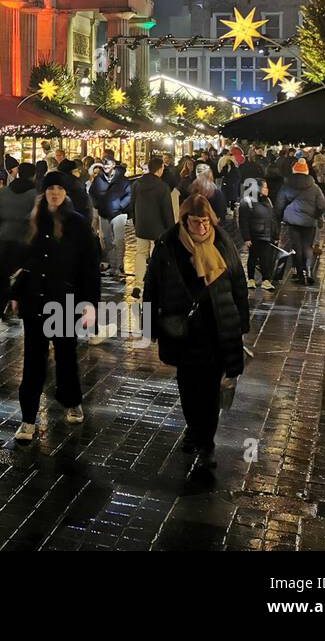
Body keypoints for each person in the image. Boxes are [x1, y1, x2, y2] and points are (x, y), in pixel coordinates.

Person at [142, 194, 249, 473]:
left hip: (217, 326)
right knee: (189, 386)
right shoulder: (168, 245)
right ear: (184, 220)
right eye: (194, 221)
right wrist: (148, 325)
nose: (200, 228)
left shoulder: (222, 241)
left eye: (204, 222)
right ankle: (194, 427)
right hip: (184, 330)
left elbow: (238, 281)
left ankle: (206, 442)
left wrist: (242, 322)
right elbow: (152, 285)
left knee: (211, 388)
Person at [13, 171, 101, 442]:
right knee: (33, 361)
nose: (54, 193)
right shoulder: (32, 221)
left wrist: (89, 303)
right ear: (44, 192)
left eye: (59, 189)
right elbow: (21, 260)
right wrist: (16, 294)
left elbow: (89, 267)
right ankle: (28, 417)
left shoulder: (77, 223)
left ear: (66, 193)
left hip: (64, 300)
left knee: (65, 355)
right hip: (35, 300)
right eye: (50, 188)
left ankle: (72, 401)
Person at [0, 161, 39, 343]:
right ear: (34, 176)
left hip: (5, 244)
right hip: (28, 247)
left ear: (17, 173)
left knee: (0, 285)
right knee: (30, 285)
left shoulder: (2, 193)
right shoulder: (36, 196)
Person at [275, 158, 325, 284]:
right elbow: (321, 205)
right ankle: (308, 271)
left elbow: (280, 204)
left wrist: (279, 217)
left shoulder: (286, 185)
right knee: (307, 247)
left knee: (296, 246)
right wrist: (316, 215)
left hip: (292, 221)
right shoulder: (314, 187)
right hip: (309, 221)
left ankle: (299, 273)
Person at [130, 155, 175, 297]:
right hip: (159, 228)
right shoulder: (162, 186)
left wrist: (136, 222)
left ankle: (138, 284)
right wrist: (171, 230)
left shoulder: (137, 184)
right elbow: (167, 210)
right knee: (157, 256)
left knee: (141, 254)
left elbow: (132, 205)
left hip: (142, 226)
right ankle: (156, 283)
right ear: (160, 169)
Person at [90, 154, 132, 279]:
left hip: (118, 214)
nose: (106, 167)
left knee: (119, 240)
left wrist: (120, 205)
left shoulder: (123, 180)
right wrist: (97, 204)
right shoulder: (99, 179)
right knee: (107, 240)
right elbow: (92, 193)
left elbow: (129, 194)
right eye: (104, 165)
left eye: (108, 164)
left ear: (113, 165)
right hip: (104, 213)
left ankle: (119, 266)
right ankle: (112, 265)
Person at [238, 177, 278, 288]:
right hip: (254, 235)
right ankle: (251, 279)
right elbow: (243, 221)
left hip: (267, 234)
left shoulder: (268, 200)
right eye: (265, 187)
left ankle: (266, 280)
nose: (267, 189)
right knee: (253, 257)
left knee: (266, 258)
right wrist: (246, 238)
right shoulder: (247, 201)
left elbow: (272, 219)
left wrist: (275, 234)